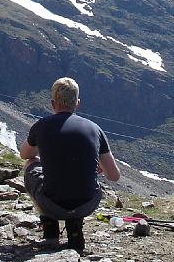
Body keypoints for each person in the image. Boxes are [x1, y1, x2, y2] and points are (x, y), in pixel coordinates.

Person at [19, 77, 120, 252]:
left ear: (53, 103)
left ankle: (50, 231)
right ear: (77, 103)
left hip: (52, 204)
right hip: (87, 203)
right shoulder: (94, 128)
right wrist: (98, 166)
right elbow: (114, 176)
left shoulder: (41, 126)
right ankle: (74, 230)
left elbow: (24, 155)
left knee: (31, 164)